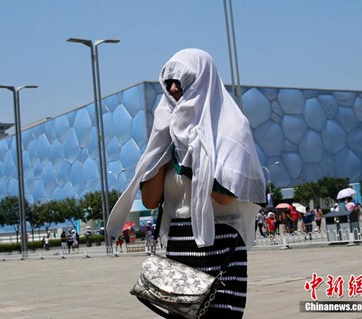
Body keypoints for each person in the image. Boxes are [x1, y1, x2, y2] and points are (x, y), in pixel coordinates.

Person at [107, 49, 265, 318]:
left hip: (222, 242)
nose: (173, 87)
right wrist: (164, 146)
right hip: (180, 242)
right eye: (168, 80)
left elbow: (225, 197)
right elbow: (150, 200)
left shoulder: (231, 128)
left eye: (181, 79)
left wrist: (189, 153)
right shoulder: (165, 132)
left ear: (203, 79)